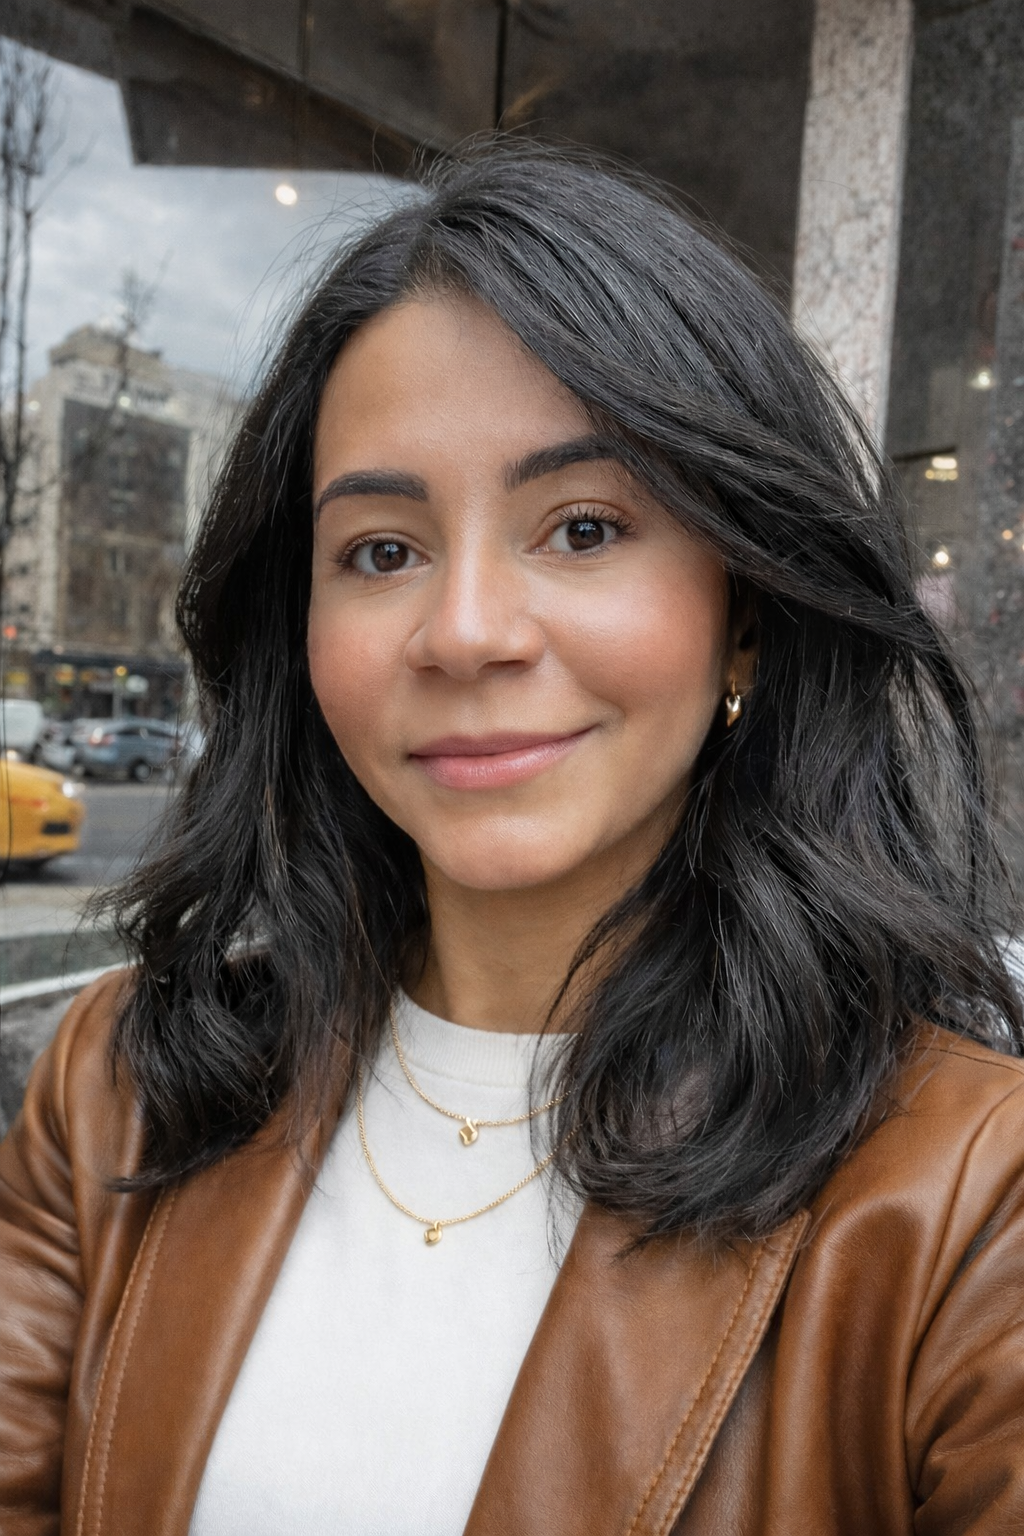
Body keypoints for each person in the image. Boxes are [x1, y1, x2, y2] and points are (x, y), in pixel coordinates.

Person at [2, 147, 1024, 1536]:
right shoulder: (120, 1089)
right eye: (380, 549)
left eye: (585, 527)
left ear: (747, 610)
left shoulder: (970, 1192)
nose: (469, 630)